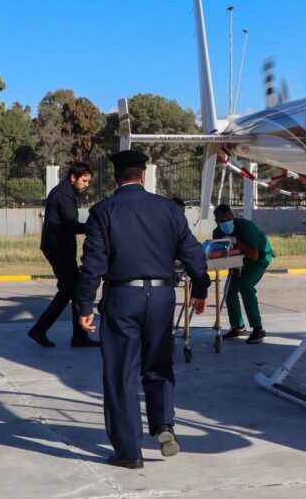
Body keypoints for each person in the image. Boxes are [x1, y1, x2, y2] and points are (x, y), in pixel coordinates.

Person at [77, 149, 209, 469]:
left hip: (123, 297)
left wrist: (84, 305)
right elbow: (192, 252)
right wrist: (201, 288)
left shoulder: (102, 211)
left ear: (116, 177)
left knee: (121, 373)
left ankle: (129, 451)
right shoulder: (168, 209)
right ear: (144, 175)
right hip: (162, 296)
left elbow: (92, 265)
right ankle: (163, 423)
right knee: (159, 363)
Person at [29, 162, 96, 348]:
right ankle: (41, 330)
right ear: (73, 177)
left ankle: (77, 336)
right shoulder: (64, 194)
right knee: (71, 290)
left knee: (72, 290)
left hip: (59, 248)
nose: (86, 185)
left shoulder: (64, 191)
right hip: (59, 249)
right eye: (84, 181)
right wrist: (94, 227)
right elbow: (71, 225)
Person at [211, 204, 274, 344]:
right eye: (222, 221)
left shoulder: (246, 227)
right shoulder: (218, 233)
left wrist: (236, 242)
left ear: (232, 216)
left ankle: (258, 329)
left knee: (245, 286)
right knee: (230, 290)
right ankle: (237, 326)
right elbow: (218, 253)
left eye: (228, 220)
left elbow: (254, 255)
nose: (226, 223)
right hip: (237, 261)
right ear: (216, 221)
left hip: (259, 259)